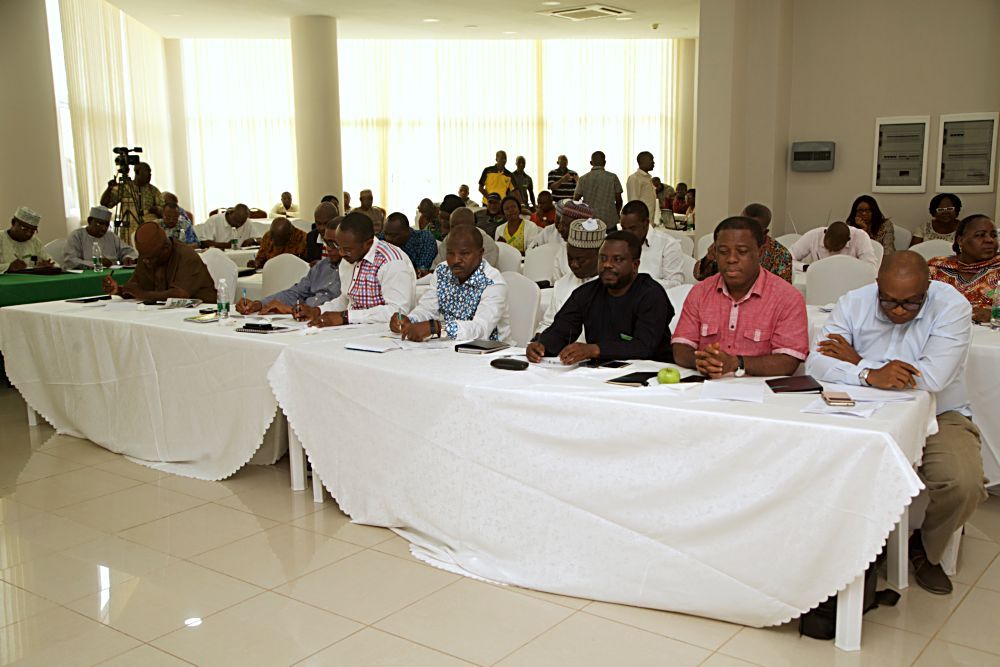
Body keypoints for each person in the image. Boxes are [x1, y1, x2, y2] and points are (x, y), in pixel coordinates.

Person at [807, 251, 985, 594]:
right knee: (817, 459)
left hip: (938, 413)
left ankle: (926, 548)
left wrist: (858, 361)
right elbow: (817, 363)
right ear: (876, 287)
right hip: (860, 408)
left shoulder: (952, 307)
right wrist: (870, 374)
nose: (899, 311)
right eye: (889, 302)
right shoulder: (853, 303)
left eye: (911, 303)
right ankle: (836, 550)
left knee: (962, 482)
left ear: (928, 289)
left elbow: (933, 377)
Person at [672, 216, 808, 378]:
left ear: (761, 252)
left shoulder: (787, 297)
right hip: (706, 386)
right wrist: (701, 361)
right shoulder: (700, 292)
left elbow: (788, 361)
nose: (731, 259)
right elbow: (680, 347)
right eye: (723, 252)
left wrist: (737, 363)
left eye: (742, 252)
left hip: (762, 393)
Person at [528, 231, 673, 364]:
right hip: (601, 372)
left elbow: (644, 346)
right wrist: (541, 346)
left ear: (635, 265)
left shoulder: (651, 294)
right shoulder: (586, 293)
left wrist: (594, 349)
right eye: (603, 258)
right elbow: (561, 330)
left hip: (653, 374)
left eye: (617, 259)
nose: (607, 265)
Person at [392, 225, 511, 342]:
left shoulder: (493, 283)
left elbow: (481, 329)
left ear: (480, 253)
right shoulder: (442, 271)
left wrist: (437, 329)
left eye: (464, 254)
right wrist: (409, 320)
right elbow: (427, 308)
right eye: (450, 253)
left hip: (490, 352)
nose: (455, 260)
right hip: (450, 347)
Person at [296, 212, 415, 327]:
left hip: (384, 334)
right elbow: (347, 300)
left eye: (347, 249)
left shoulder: (391, 262)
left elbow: (397, 312)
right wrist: (317, 311)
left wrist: (345, 317)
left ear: (368, 244)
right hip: (353, 329)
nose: (341, 253)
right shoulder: (349, 257)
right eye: (339, 247)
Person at [237, 219, 344, 315]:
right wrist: (259, 304)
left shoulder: (354, 271)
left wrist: (290, 309)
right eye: (326, 242)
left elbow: (344, 307)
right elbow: (295, 293)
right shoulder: (321, 266)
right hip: (304, 321)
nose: (328, 248)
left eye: (333, 243)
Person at [102, 223, 216, 302]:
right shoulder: (147, 256)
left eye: (150, 258)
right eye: (143, 257)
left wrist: (142, 294)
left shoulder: (186, 256)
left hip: (201, 314)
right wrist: (119, 290)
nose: (146, 262)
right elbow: (135, 287)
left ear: (166, 249)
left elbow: (179, 295)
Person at [536, 218, 605, 332]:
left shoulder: (614, 288)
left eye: (580, 260)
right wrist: (539, 338)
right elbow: (548, 323)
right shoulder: (562, 284)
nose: (573, 265)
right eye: (570, 257)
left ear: (600, 255)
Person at [695, 203, 792, 283]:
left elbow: (783, 293)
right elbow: (699, 275)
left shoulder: (780, 254)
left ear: (765, 232)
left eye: (752, 229)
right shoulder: (727, 244)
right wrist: (708, 258)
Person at [928, 214, 999, 323]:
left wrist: (994, 314)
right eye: (980, 235)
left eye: (993, 235)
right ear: (960, 240)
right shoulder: (935, 268)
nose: (989, 240)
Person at [618, 200, 686, 290]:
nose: (627, 234)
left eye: (632, 228)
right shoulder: (619, 244)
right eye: (623, 228)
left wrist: (640, 284)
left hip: (654, 300)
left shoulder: (668, 245)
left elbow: (676, 285)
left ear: (646, 223)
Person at [63, 205, 137, 269]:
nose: (103, 228)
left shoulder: (111, 236)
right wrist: (96, 263)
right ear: (89, 221)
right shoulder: (77, 236)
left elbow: (129, 251)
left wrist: (128, 257)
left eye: (106, 225)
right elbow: (70, 261)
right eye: (99, 223)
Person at [789, 220, 878, 269]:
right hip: (819, 281)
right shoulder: (814, 235)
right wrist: (805, 267)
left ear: (848, 240)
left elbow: (871, 269)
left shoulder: (860, 237)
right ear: (825, 232)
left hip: (849, 284)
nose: (830, 252)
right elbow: (786, 258)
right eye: (827, 247)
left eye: (835, 249)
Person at [100, 161, 164, 225]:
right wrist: (109, 189)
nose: (150, 174)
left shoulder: (153, 190)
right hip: (129, 230)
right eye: (147, 171)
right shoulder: (125, 188)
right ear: (137, 172)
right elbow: (105, 204)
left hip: (148, 228)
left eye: (150, 172)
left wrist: (157, 209)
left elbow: (163, 211)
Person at [574, 151, 623, 227]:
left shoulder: (583, 179)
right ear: (605, 162)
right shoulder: (613, 177)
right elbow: (619, 200)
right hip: (609, 220)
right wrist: (616, 213)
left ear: (591, 163)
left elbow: (576, 199)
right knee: (611, 239)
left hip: (589, 221)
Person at [382, 212, 438, 277]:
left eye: (394, 235)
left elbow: (421, 272)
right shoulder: (382, 238)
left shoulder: (424, 239)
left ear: (407, 231)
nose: (388, 238)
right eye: (386, 233)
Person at [0, 207, 54, 273]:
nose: (28, 234)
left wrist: (48, 267)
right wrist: (8, 267)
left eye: (32, 231)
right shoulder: (1, 238)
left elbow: (52, 262)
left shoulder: (35, 242)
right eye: (24, 229)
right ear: (13, 223)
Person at [847, 194, 894, 258]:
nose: (864, 213)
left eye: (868, 210)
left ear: (874, 211)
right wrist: (863, 230)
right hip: (858, 260)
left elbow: (888, 250)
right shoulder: (850, 225)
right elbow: (849, 251)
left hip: (881, 259)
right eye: (860, 210)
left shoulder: (886, 225)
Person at [625, 151, 661, 227]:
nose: (653, 163)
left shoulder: (648, 178)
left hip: (649, 222)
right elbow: (633, 202)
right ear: (642, 161)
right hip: (641, 223)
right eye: (651, 160)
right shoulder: (635, 178)